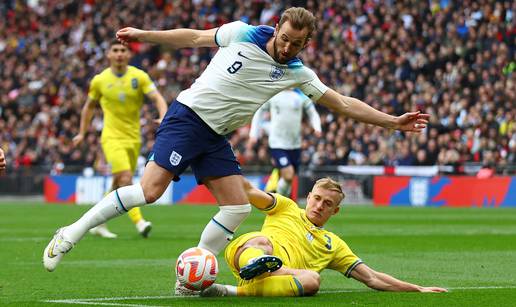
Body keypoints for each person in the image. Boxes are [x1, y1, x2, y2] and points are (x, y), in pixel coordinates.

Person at [43, 7, 430, 277]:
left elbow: (342, 102)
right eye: (284, 39)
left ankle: (194, 268)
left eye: (296, 44)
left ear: (306, 43)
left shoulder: (297, 73)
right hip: (187, 117)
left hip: (214, 136)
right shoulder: (241, 32)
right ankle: (71, 232)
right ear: (277, 28)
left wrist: (392, 122)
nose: (287, 48)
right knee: (150, 191)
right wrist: (145, 36)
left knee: (237, 206)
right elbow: (193, 37)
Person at [199, 177, 448, 297]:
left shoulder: (333, 245)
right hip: (246, 255)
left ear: (334, 210)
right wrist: (221, 170)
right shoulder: (284, 206)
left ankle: (230, 291)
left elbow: (372, 278)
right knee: (261, 243)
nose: (319, 206)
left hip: (280, 281)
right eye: (316, 199)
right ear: (308, 197)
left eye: (327, 203)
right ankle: (258, 264)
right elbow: (249, 191)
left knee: (312, 281)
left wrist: (418, 288)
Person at [72, 40, 168, 238]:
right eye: (115, 50)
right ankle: (140, 222)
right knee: (126, 179)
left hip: (134, 138)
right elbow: (89, 107)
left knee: (117, 183)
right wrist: (82, 132)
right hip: (111, 137)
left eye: (123, 50)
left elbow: (157, 97)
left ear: (129, 55)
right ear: (108, 54)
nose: (119, 54)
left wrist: (163, 115)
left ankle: (98, 224)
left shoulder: (138, 76)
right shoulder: (100, 80)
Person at [247, 88, 322, 197]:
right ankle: (278, 200)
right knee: (288, 174)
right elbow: (260, 112)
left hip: (295, 145)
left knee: (288, 178)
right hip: (277, 144)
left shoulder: (300, 96)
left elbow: (313, 113)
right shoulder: (273, 94)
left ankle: (280, 201)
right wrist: (253, 134)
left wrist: (317, 127)